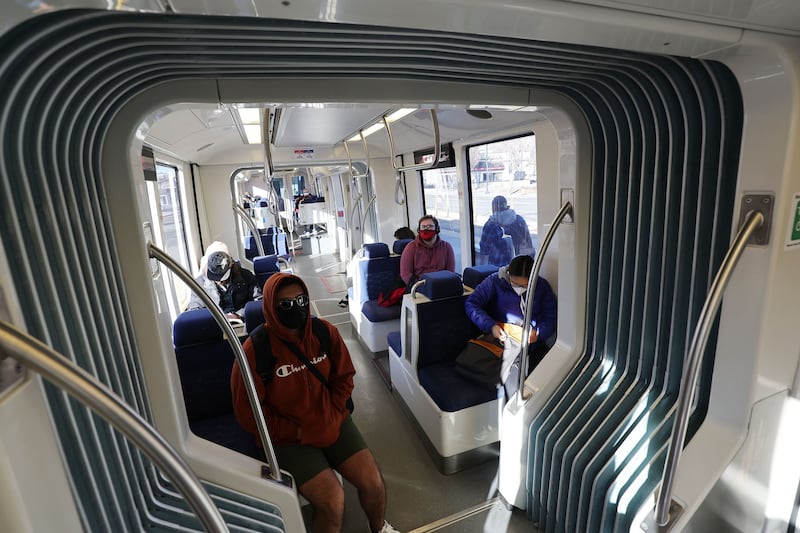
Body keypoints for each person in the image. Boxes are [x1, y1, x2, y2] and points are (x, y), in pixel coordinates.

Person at [230, 273, 398, 533]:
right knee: (333, 501)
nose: (295, 308)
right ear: (271, 308)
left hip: (332, 419)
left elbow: (344, 377)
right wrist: (295, 431)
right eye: (285, 305)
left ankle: (379, 528)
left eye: (301, 301)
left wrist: (332, 412)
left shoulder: (324, 333)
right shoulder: (255, 351)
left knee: (373, 482)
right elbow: (249, 415)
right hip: (290, 438)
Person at [464, 254, 556, 398]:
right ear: (508, 275)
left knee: (545, 385)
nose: (519, 288)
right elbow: (471, 304)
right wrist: (491, 326)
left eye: (525, 286)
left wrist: (538, 333)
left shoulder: (542, 287)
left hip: (531, 344)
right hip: (502, 342)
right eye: (515, 283)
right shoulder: (495, 281)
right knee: (513, 389)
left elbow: (550, 318)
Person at [186, 243, 260, 319]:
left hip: (243, 320)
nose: (220, 281)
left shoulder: (246, 276)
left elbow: (257, 301)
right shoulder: (199, 284)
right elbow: (195, 310)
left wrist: (239, 315)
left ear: (231, 266)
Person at [399, 215, 456, 285]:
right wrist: (420, 287)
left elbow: (450, 272)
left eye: (430, 226)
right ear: (419, 230)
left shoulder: (447, 247)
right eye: (423, 227)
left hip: (442, 285)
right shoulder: (411, 247)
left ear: (437, 229)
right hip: (418, 287)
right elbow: (405, 274)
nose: (426, 229)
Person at [480, 195, 534, 266]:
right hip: (521, 266)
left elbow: (484, 250)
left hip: (499, 270)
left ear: (494, 208)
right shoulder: (519, 219)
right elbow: (528, 242)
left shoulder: (490, 225)